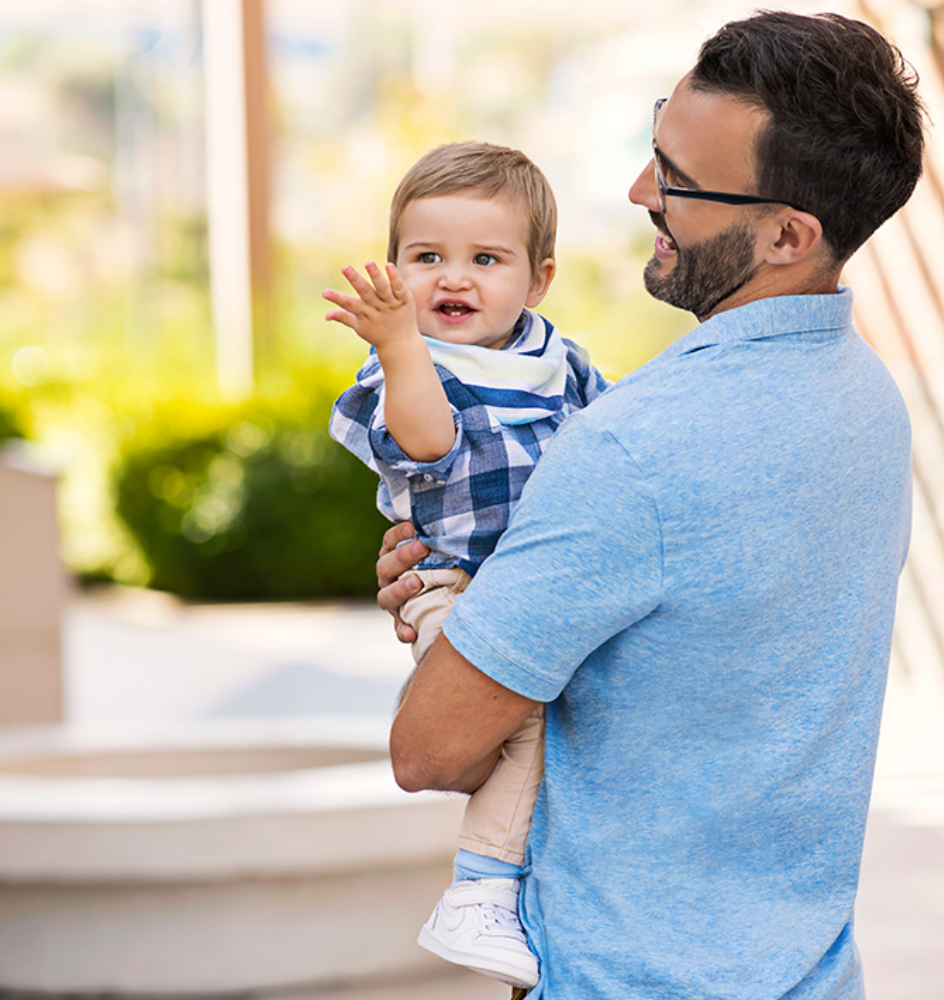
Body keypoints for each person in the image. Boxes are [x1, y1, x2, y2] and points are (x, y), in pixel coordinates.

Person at [381, 12, 926, 1000]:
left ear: (786, 233)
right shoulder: (868, 402)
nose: (639, 193)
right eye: (651, 148)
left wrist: (448, 604)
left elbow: (430, 746)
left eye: (673, 179)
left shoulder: (635, 447)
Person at [324, 141, 608, 990]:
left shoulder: (556, 361)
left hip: (538, 589)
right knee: (520, 719)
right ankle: (479, 891)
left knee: (545, 727)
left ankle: (513, 880)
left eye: (486, 259)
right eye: (426, 258)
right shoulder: (405, 368)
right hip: (452, 585)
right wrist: (401, 344)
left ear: (539, 279)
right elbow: (429, 440)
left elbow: (612, 443)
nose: (454, 278)